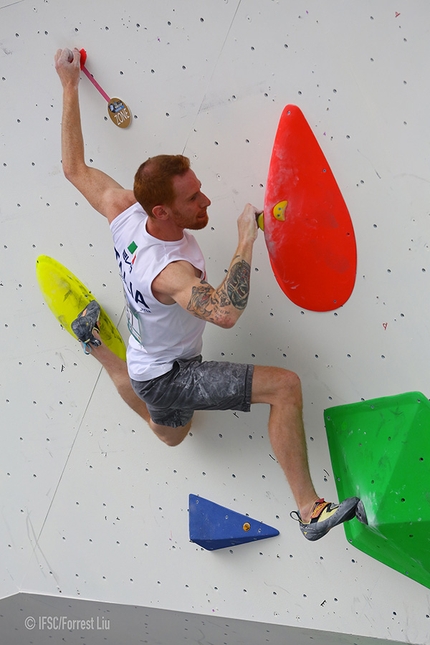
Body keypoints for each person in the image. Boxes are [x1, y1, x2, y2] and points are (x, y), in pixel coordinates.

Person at [54, 47, 364, 541]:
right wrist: (246, 239)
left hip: (146, 360)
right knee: (284, 387)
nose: (206, 201)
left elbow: (73, 168)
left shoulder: (122, 210)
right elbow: (222, 312)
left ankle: (100, 350)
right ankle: (309, 510)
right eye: (192, 199)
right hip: (170, 373)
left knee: (172, 435)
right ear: (160, 212)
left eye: (198, 189)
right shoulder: (169, 272)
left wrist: (69, 83)